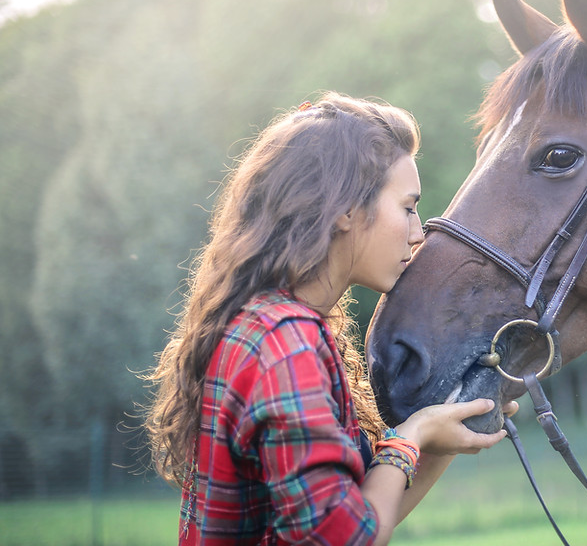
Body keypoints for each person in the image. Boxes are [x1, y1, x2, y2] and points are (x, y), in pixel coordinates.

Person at [143, 93, 514, 545]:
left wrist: (442, 433)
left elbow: (362, 518)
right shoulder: (286, 343)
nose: (419, 234)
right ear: (344, 209)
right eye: (408, 207)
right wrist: (412, 435)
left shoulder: (277, 329)